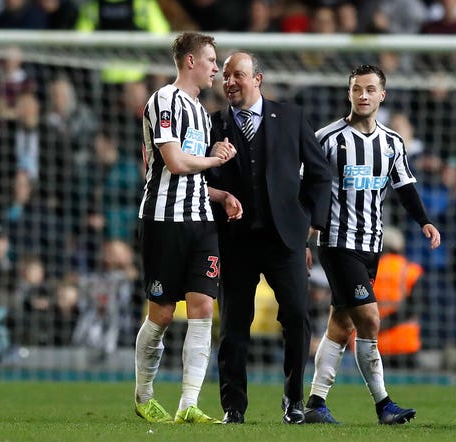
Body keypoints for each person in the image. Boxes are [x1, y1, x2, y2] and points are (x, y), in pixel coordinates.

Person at [303, 64, 441, 425]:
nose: (363, 96)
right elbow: (305, 189)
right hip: (336, 242)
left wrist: (424, 221)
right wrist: (304, 234)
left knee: (341, 324)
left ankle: (316, 403)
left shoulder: (392, 142)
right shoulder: (327, 138)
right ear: (349, 93)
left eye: (369, 90)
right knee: (370, 318)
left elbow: (405, 187)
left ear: (383, 95)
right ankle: (384, 404)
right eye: (356, 89)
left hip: (372, 244)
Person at [206, 51, 332, 424]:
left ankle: (293, 400)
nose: (229, 81)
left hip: (286, 240)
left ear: (257, 79)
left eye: (237, 75)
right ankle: (233, 408)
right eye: (225, 75)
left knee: (297, 318)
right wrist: (211, 157)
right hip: (236, 241)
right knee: (232, 326)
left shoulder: (291, 117)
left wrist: (312, 223)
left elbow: (320, 174)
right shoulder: (214, 125)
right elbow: (200, 181)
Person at [133, 32, 241, 424]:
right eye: (212, 60)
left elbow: (189, 177)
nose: (217, 67)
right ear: (191, 62)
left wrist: (220, 194)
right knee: (161, 313)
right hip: (164, 220)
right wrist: (214, 160)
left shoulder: (200, 111)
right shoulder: (165, 100)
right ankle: (144, 395)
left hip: (201, 222)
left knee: (202, 309)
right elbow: (176, 164)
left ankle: (188, 404)